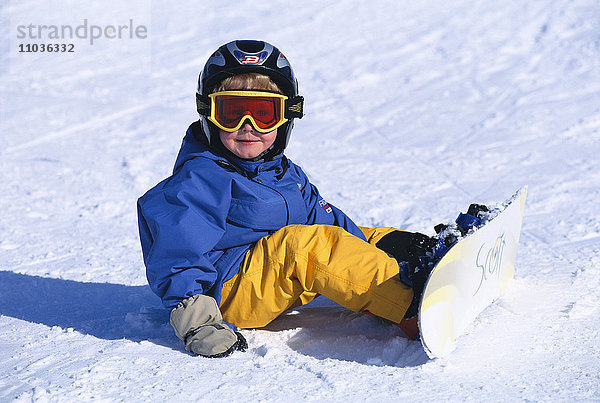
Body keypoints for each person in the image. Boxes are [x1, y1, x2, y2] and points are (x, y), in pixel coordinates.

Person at [137, 40, 477, 358]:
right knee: (308, 246)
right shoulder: (198, 180)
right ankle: (410, 306)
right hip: (228, 293)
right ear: (208, 113)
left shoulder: (283, 172)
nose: (248, 126)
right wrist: (199, 325)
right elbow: (176, 256)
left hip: (271, 273)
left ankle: (421, 256)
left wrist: (377, 247)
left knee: (346, 235)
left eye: (264, 113)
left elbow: (327, 223)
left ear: (287, 116)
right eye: (232, 113)